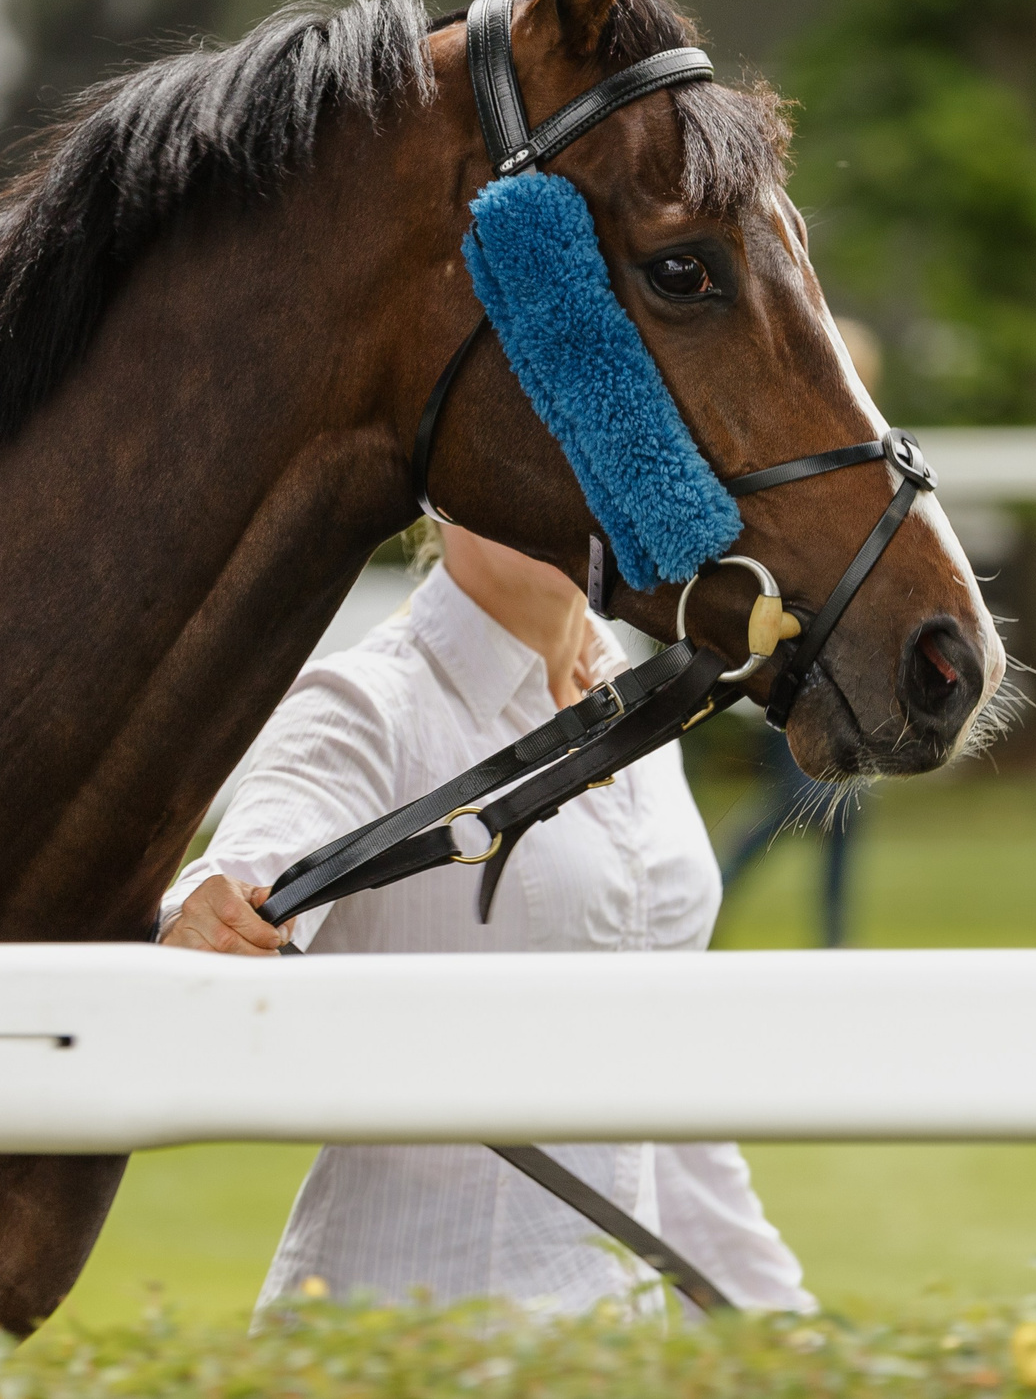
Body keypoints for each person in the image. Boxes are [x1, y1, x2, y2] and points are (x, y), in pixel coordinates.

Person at [161, 522, 816, 1320]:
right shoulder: (368, 702)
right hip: (397, 1351)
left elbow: (665, 1117)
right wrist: (203, 919)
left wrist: (785, 1335)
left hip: (614, 1361)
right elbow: (232, 895)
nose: (550, 489)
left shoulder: (644, 705)